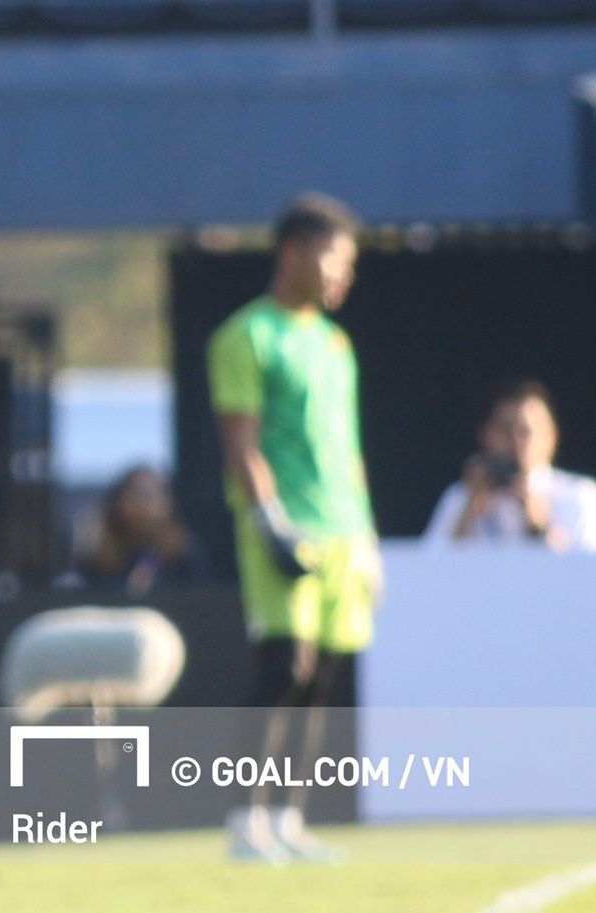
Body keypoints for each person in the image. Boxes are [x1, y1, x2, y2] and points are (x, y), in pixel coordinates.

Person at [207, 192, 378, 865]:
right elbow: (241, 442)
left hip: (343, 532)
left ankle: (288, 817)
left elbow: (349, 448)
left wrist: (366, 537)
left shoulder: (336, 344)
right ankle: (242, 817)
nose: (343, 275)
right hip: (284, 526)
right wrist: (268, 521)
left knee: (323, 678)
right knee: (285, 666)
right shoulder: (246, 335)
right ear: (294, 253)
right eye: (335, 258)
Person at [423, 380, 596, 553]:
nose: (516, 441)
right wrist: (468, 511)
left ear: (551, 436)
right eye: (505, 429)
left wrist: (540, 524)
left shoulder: (579, 496)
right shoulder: (459, 497)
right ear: (486, 435)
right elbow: (427, 569)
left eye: (526, 431)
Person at [72, 465, 204, 597]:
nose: (142, 505)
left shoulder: (184, 554)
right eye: (134, 496)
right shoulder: (98, 557)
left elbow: (202, 599)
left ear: (167, 503)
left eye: (149, 496)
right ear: (118, 502)